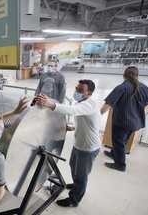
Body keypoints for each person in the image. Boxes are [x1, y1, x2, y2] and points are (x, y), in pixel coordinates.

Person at [34, 79, 101, 207]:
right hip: (79, 144)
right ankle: (76, 185)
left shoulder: (89, 104)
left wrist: (49, 103)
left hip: (88, 148)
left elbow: (72, 111)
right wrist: (73, 128)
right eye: (76, 88)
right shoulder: (82, 102)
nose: (76, 91)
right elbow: (85, 120)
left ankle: (74, 200)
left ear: (90, 93)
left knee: (82, 175)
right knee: (73, 167)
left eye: (80, 90)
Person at [101, 66, 148, 172]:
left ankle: (120, 164)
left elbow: (108, 104)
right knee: (123, 140)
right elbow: (146, 103)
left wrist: (96, 116)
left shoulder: (122, 87)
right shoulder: (145, 88)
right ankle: (114, 153)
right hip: (135, 122)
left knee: (118, 141)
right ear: (138, 76)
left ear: (124, 76)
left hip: (122, 121)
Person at [34, 61, 67, 190]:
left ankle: (49, 148)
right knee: (41, 127)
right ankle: (39, 144)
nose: (49, 67)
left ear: (56, 66)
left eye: (52, 65)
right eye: (48, 65)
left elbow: (62, 92)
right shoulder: (43, 75)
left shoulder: (60, 77)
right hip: (41, 105)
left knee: (49, 129)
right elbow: (39, 87)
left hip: (52, 106)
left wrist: (56, 106)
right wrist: (36, 98)